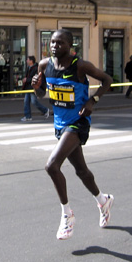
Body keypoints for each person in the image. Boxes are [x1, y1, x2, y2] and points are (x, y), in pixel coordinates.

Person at [32, 29, 114, 240]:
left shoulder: (80, 66)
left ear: (70, 46)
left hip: (78, 122)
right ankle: (103, 200)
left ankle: (67, 215)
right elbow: (43, 95)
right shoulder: (44, 65)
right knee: (81, 171)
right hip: (60, 124)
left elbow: (107, 80)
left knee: (51, 166)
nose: (54, 46)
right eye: (52, 42)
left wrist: (92, 101)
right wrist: (36, 88)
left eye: (59, 43)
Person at [21, 56, 49, 122]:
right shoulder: (29, 68)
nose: (26, 61)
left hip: (33, 88)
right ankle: (28, 116)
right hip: (28, 87)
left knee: (34, 101)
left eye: (27, 60)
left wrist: (27, 80)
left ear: (31, 61)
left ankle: (45, 110)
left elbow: (35, 78)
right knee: (26, 102)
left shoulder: (36, 68)